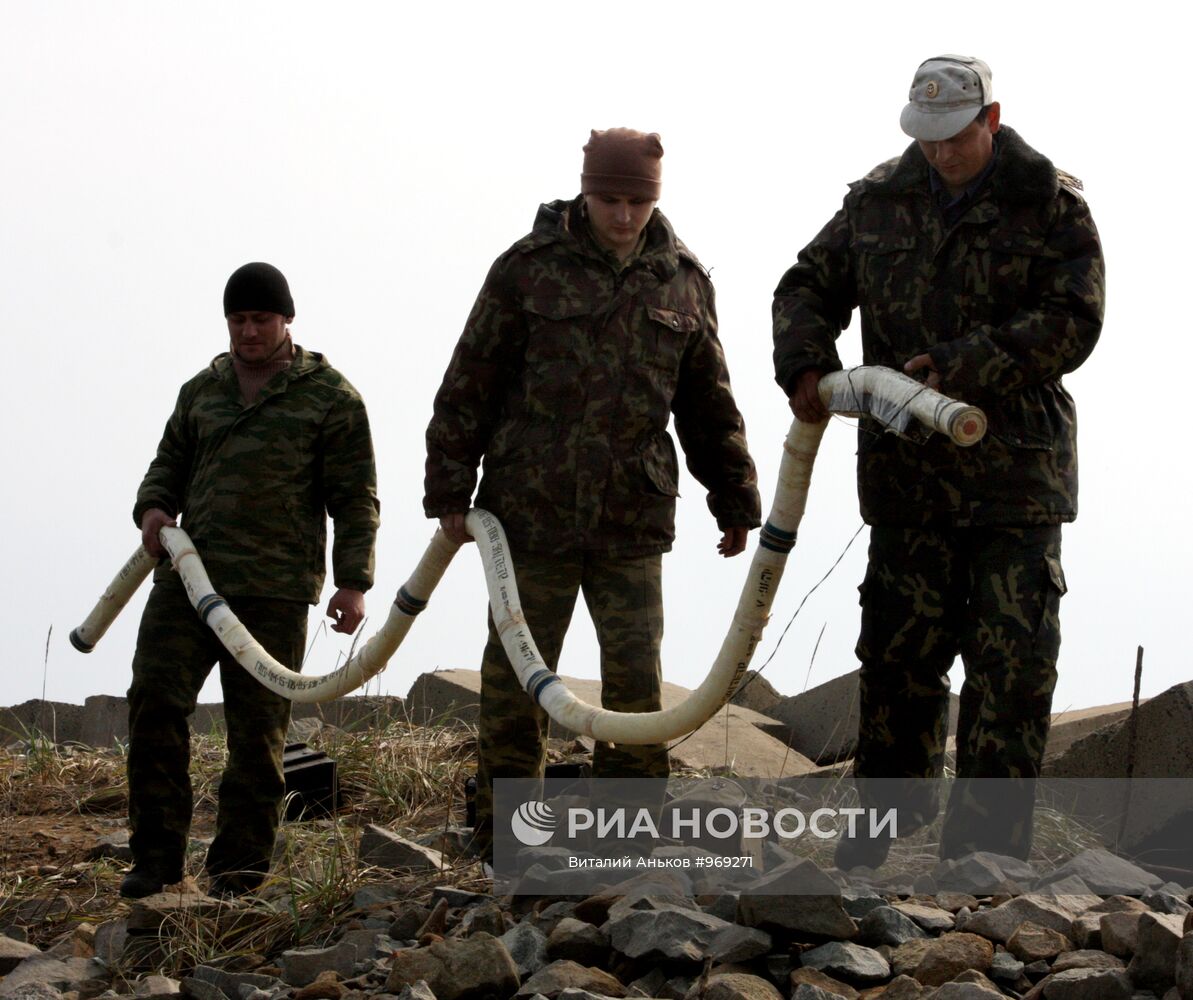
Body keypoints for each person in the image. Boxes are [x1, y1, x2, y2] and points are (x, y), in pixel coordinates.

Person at [772, 55, 1104, 866]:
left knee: (1011, 669)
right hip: (906, 480)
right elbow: (805, 286)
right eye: (925, 138)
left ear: (989, 120)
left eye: (954, 136)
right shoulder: (876, 201)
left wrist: (959, 365)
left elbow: (1073, 320)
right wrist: (808, 365)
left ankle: (983, 861)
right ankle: (880, 843)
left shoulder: (1050, 206)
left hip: (1016, 483)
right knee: (896, 665)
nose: (940, 152)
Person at [425, 128, 761, 861]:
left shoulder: (682, 281)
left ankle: (625, 834)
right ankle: (505, 836)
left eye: (637, 200)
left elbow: (707, 403)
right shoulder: (525, 271)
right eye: (610, 198)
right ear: (585, 190)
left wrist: (733, 495)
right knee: (518, 677)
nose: (623, 215)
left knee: (634, 684)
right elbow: (468, 382)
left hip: (631, 516)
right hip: (528, 510)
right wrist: (449, 486)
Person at [120, 262, 380, 898]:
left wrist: (354, 581)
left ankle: (237, 876)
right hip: (188, 581)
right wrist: (154, 509)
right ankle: (155, 861)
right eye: (238, 320)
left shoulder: (331, 398)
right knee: (154, 705)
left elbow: (355, 497)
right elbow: (167, 466)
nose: (248, 332)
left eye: (260, 319)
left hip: (273, 591)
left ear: (286, 319)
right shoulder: (201, 391)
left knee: (257, 736)